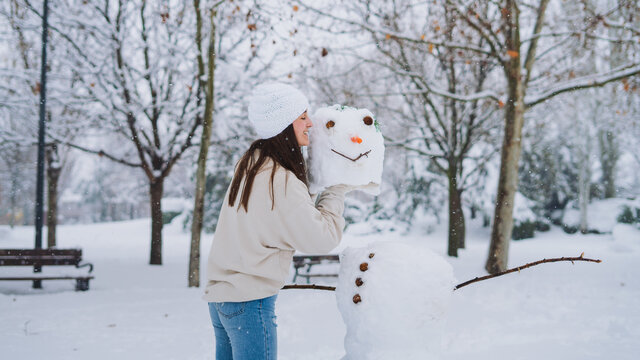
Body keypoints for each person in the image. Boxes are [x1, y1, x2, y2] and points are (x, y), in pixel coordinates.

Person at [203, 83, 360, 359]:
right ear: (284, 125)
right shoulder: (281, 181)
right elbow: (322, 238)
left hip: (222, 299)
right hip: (249, 304)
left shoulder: (251, 163)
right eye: (302, 117)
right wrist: (337, 188)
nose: (310, 123)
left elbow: (286, 208)